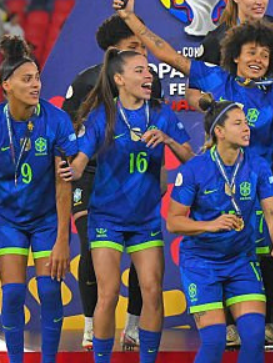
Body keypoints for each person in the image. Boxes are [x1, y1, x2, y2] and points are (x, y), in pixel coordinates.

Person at [118, 0, 273, 346]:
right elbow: (166, 52)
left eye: (265, 54)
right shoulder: (216, 79)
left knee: (263, 272)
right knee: (215, 333)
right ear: (235, 55)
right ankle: (222, 324)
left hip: (256, 183)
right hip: (217, 186)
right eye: (251, 52)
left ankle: (259, 323)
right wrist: (130, 18)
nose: (258, 59)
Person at [71, 47, 194, 363]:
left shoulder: (162, 114)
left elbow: (191, 159)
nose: (148, 75)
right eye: (139, 70)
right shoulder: (102, 115)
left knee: (152, 291)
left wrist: (167, 140)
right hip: (107, 218)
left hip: (144, 219)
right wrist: (70, 170)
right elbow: (81, 160)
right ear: (119, 79)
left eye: (149, 70)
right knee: (109, 293)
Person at [0, 37, 77, 363]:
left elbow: (63, 184)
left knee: (49, 290)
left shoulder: (57, 120)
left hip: (46, 219)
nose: (36, 85)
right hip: (7, 221)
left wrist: (62, 238)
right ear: (7, 85)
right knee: (14, 293)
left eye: (37, 78)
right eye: (27, 79)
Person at [62, 15, 162, 350]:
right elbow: (68, 135)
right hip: (91, 175)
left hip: (134, 176)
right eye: (134, 46)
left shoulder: (151, 82)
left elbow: (156, 129)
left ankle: (133, 325)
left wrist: (157, 173)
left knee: (141, 253)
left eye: (143, 47)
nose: (142, 53)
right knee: (92, 246)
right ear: (114, 52)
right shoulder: (85, 82)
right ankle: (92, 325)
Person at [166, 95, 273, 363]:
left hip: (240, 260)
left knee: (254, 337)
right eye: (238, 123)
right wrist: (210, 225)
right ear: (219, 132)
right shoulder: (195, 169)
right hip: (202, 263)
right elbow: (173, 221)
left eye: (246, 122)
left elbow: (272, 212)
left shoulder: (258, 165)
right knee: (214, 341)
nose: (247, 128)